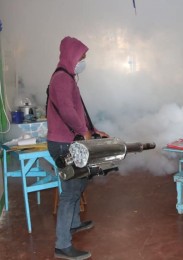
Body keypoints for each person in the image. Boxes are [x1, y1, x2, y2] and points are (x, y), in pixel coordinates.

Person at [47, 36, 109, 260]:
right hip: (64, 143)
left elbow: (78, 111)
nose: (84, 60)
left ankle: (73, 224)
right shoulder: (62, 79)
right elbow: (67, 112)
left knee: (80, 181)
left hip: (69, 140)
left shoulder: (68, 77)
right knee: (71, 191)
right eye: (82, 56)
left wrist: (92, 130)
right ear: (72, 55)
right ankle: (62, 245)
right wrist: (83, 131)